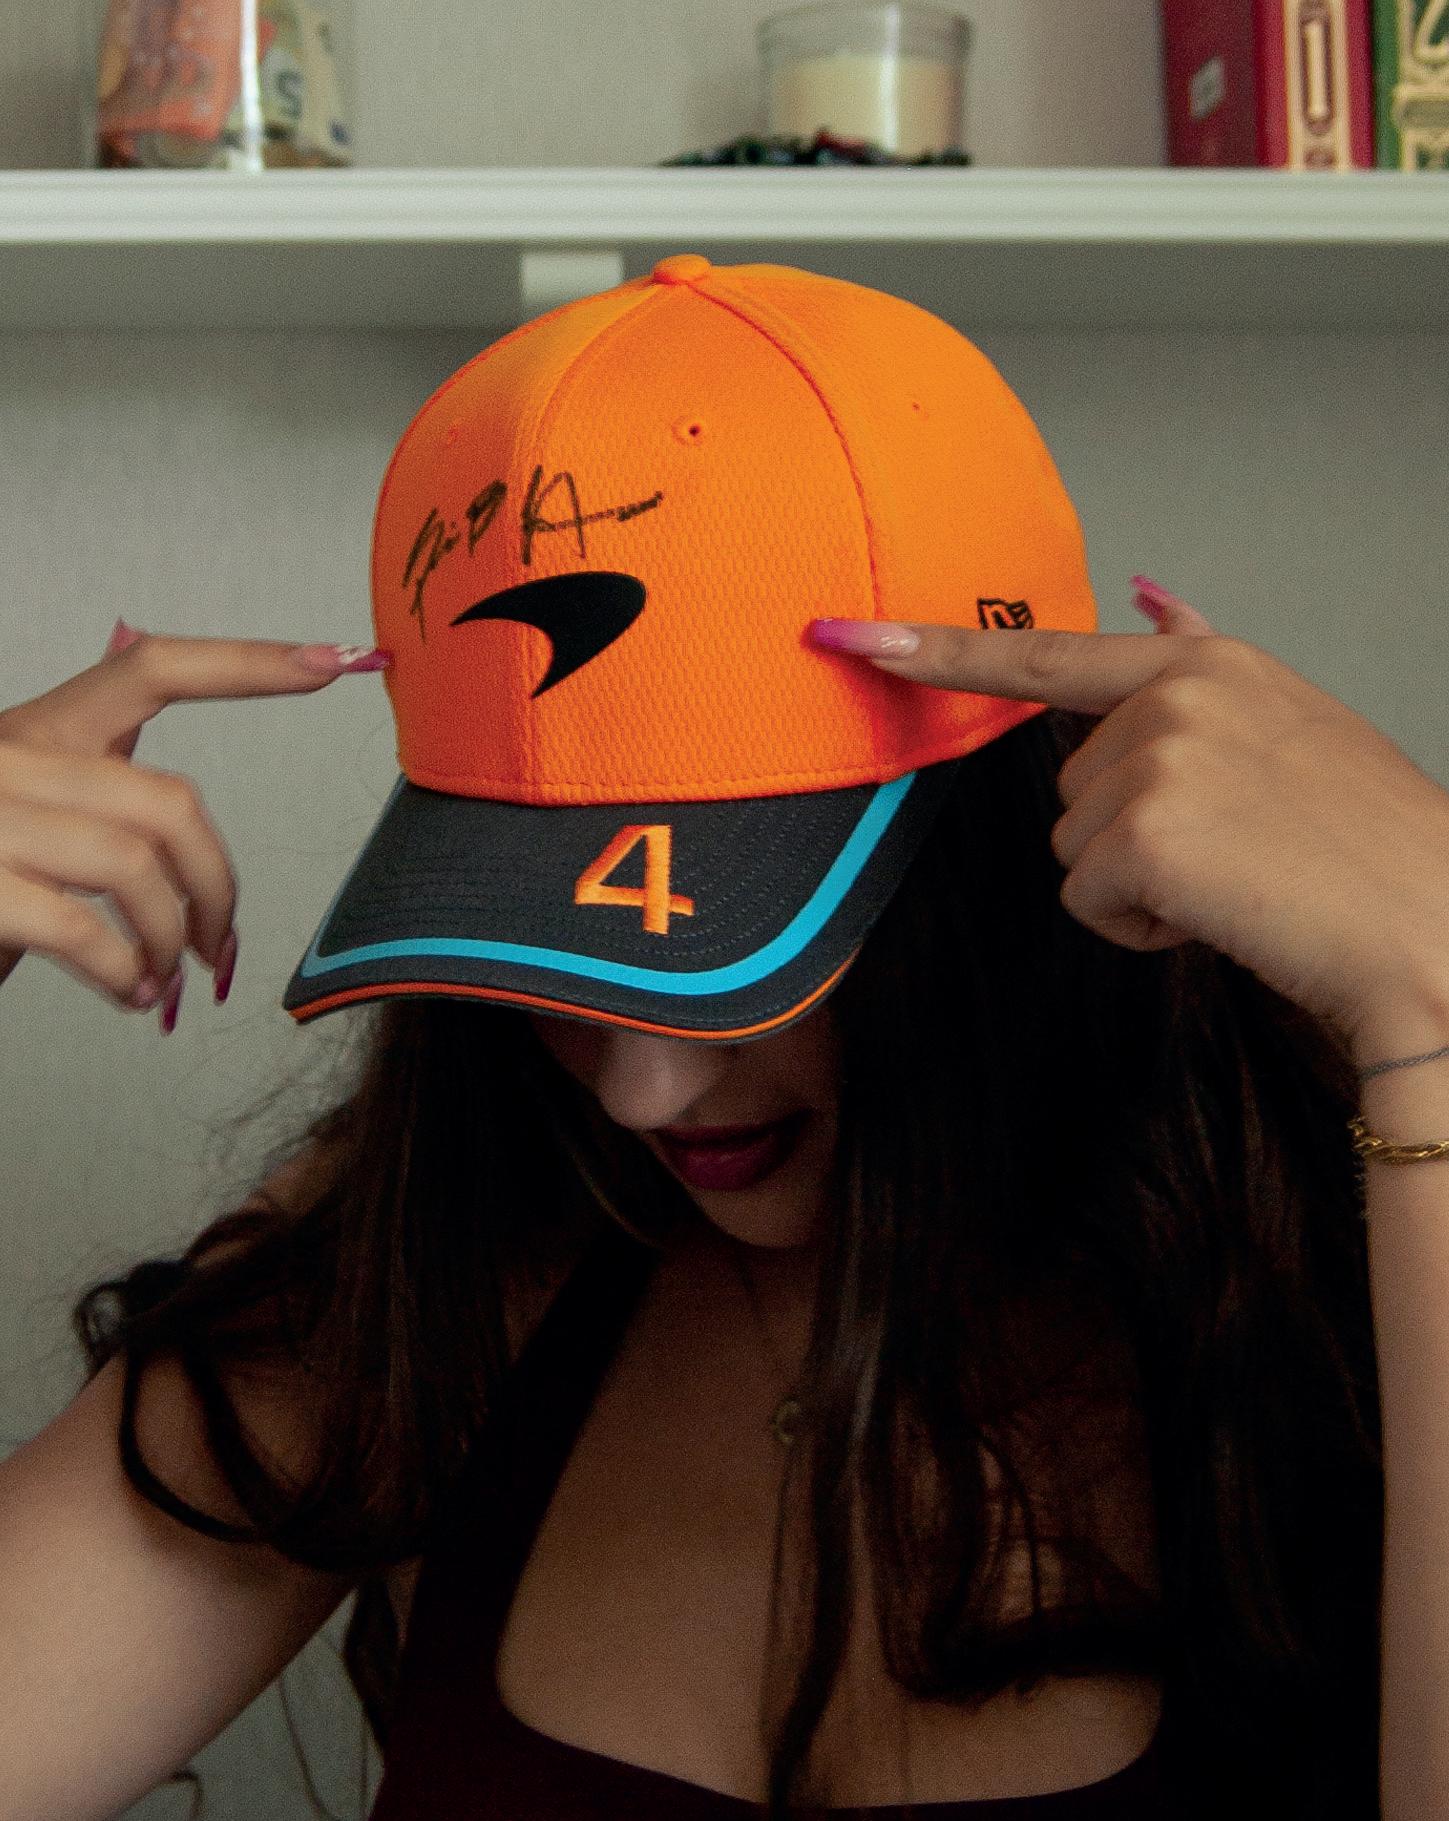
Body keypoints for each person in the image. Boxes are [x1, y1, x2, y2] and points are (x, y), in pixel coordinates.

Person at [0, 258, 1394, 1821]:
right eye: (545, 937)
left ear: (994, 835)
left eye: (731, 932)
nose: (639, 1089)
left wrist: (1430, 1013)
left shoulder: (1347, 1250)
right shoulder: (447, 1242)